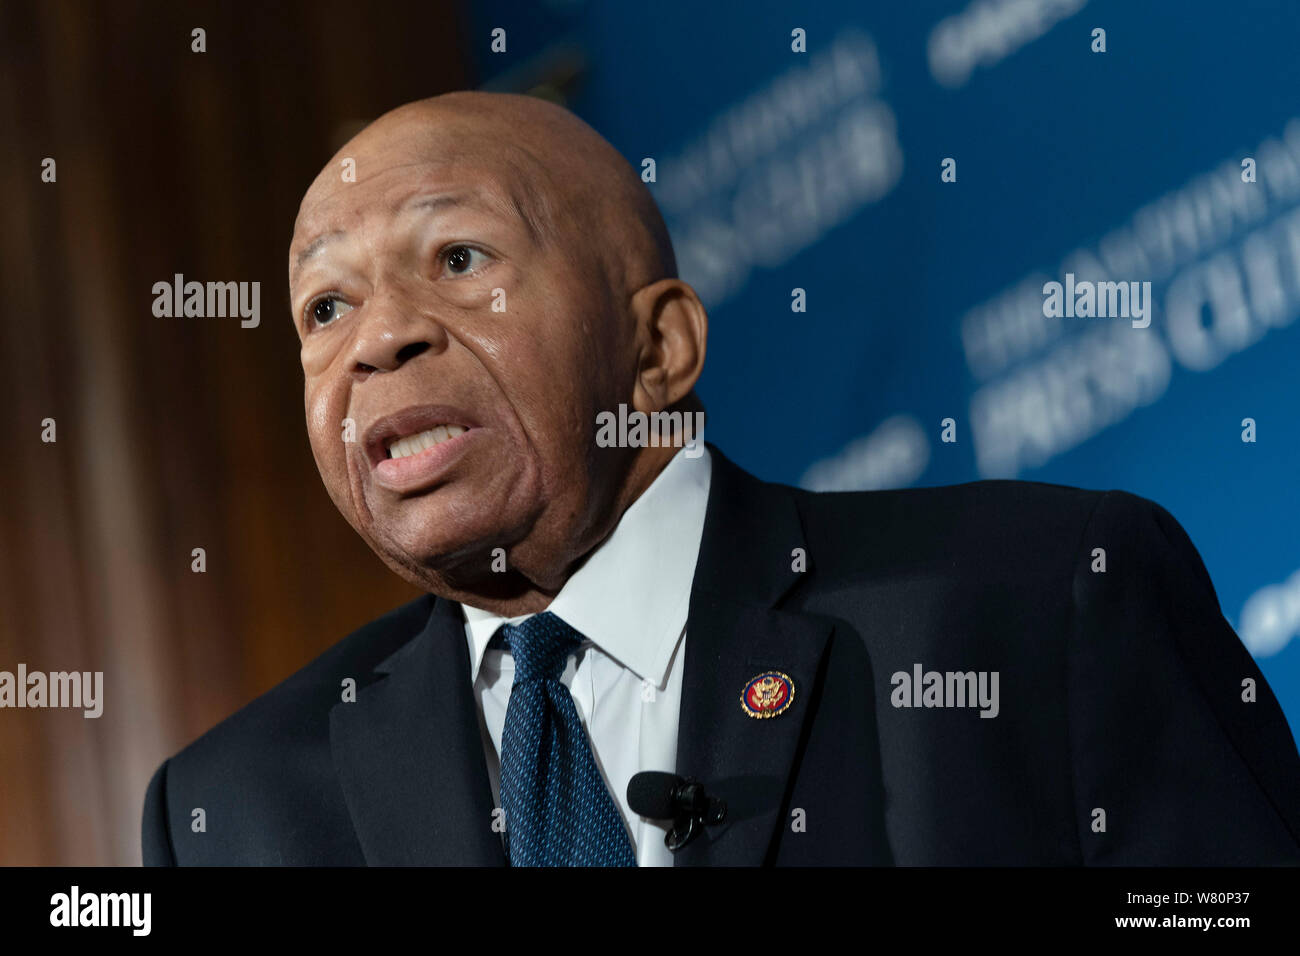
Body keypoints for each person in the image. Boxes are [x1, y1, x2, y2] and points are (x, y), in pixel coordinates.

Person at [142, 91, 1300, 866]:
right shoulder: (233, 812)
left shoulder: (1039, 604)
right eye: (324, 305)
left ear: (659, 351)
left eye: (459, 259)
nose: (378, 338)